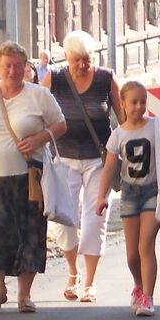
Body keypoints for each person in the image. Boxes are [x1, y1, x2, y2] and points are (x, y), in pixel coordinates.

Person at [0, 41, 67, 313]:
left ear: (26, 69)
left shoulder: (38, 95)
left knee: (30, 232)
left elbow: (60, 124)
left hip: (29, 176)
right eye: (7, 66)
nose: (12, 71)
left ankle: (25, 295)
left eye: (18, 66)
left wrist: (39, 138)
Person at [44, 30, 124, 303]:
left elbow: (123, 120)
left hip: (99, 161)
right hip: (63, 158)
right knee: (64, 218)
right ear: (66, 58)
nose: (82, 65)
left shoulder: (105, 78)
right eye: (77, 60)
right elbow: (37, 114)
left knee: (95, 219)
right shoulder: (53, 79)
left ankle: (89, 283)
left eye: (87, 59)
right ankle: (72, 273)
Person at [95, 82, 160, 318]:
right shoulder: (118, 135)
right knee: (132, 254)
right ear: (122, 104)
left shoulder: (157, 127)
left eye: (142, 102)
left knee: (146, 245)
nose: (139, 107)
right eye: (133, 102)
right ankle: (138, 284)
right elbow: (109, 168)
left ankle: (148, 297)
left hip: (155, 192)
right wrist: (101, 197)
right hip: (129, 194)